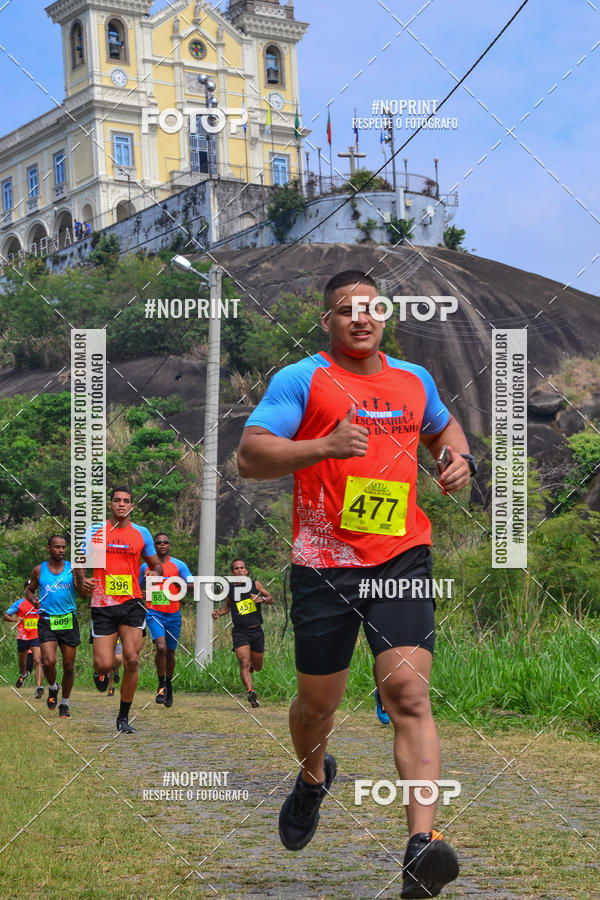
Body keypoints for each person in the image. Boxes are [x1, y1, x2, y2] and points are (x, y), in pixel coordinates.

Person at [238, 270, 477, 898]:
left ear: (385, 316)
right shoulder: (301, 380)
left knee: (408, 694)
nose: (361, 319)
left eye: (371, 308)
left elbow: (444, 429)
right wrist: (323, 446)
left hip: (402, 556)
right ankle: (313, 777)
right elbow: (250, 456)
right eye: (347, 310)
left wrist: (460, 460)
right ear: (328, 321)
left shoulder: (414, 380)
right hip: (325, 565)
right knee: (317, 707)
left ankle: (421, 846)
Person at [74, 486, 162, 734]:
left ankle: (123, 718)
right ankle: (101, 673)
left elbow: (156, 565)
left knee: (132, 660)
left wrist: (153, 574)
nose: (121, 504)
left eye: (126, 501)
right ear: (110, 504)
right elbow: (80, 561)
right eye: (117, 500)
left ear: (132, 505)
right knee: (103, 664)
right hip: (103, 604)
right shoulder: (95, 531)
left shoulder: (141, 533)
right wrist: (83, 579)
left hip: (132, 603)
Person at [26, 536, 84, 718]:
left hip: (68, 620)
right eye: (57, 547)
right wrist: (33, 600)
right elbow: (30, 590)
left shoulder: (72, 569)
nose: (61, 550)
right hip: (47, 620)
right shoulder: (39, 570)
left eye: (63, 547)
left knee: (69, 665)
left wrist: (80, 581)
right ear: (48, 548)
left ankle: (64, 704)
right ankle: (53, 687)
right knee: (48, 661)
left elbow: (83, 595)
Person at [139, 533, 192, 708]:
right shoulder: (145, 566)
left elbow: (192, 584)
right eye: (158, 542)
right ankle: (161, 684)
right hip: (154, 613)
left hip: (173, 614)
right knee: (161, 647)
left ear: (169, 545)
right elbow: (136, 587)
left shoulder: (179, 565)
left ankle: (169, 684)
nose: (162, 544)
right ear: (154, 546)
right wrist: (141, 593)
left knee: (170, 652)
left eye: (165, 542)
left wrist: (178, 584)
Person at [212, 559, 273, 708]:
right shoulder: (230, 589)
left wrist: (261, 599)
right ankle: (251, 692)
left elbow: (270, 599)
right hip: (240, 632)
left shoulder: (255, 584)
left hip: (256, 631)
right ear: (232, 572)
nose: (239, 570)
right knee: (243, 663)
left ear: (246, 571)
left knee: (257, 666)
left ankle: (252, 666)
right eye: (236, 568)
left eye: (242, 568)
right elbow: (227, 607)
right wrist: (219, 613)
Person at [4, 584, 44, 698]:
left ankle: (39, 687)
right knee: (23, 663)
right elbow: (6, 616)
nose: (30, 590)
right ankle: (23, 674)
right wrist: (15, 619)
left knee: (37, 660)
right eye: (28, 588)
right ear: (25, 590)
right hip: (23, 636)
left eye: (32, 588)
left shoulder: (40, 603)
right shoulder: (19, 603)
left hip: (36, 635)